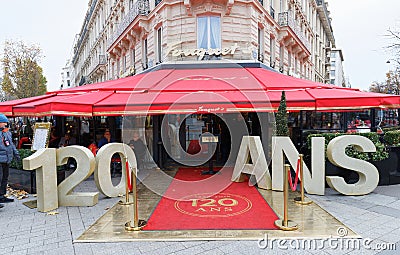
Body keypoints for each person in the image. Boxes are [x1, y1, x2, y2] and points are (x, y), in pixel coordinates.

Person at [0, 113, 20, 206]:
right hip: (0, 159)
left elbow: (11, 145)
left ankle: (1, 196)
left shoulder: (7, 132)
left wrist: (16, 155)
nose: (6, 124)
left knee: (4, 178)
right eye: (3, 122)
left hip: (6, 160)